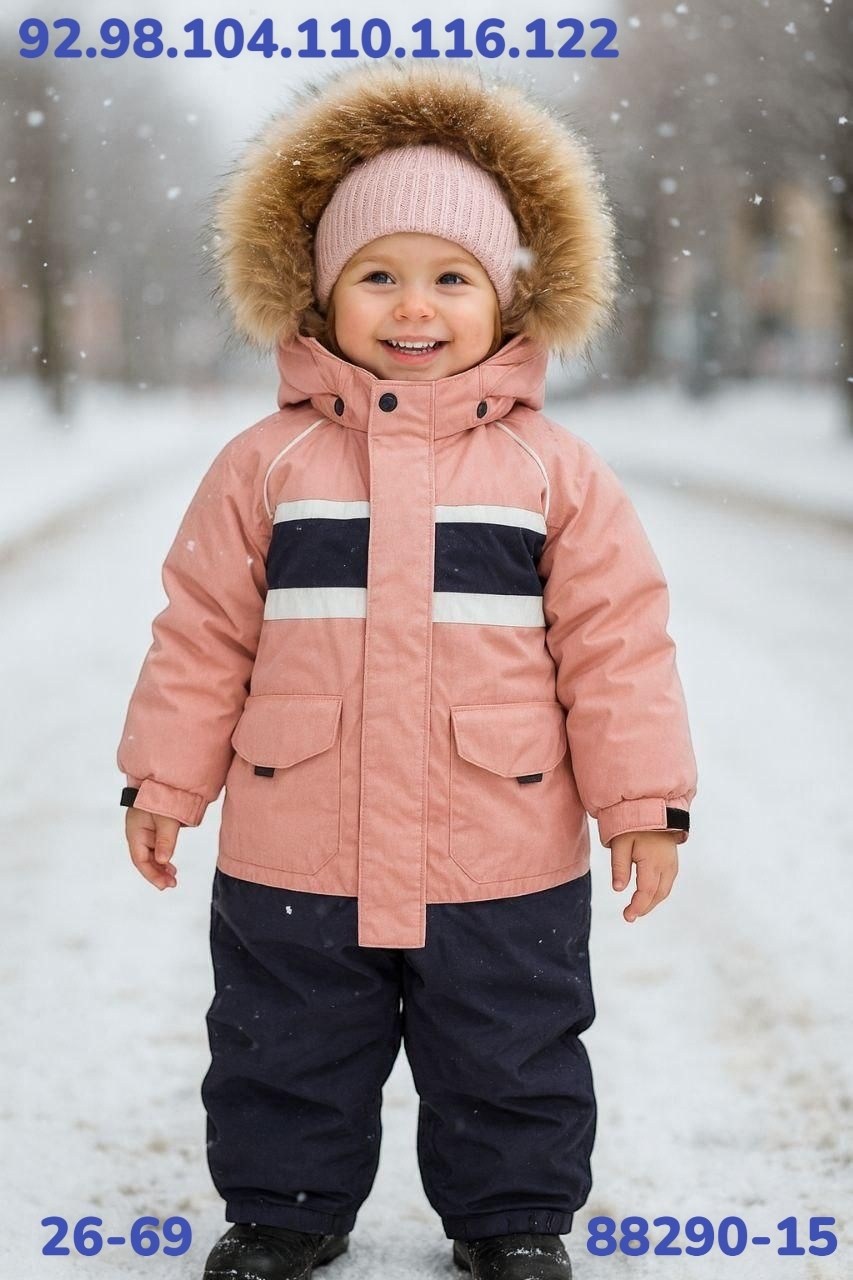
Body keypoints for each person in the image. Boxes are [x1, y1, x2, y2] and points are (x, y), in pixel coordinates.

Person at [117, 60, 698, 1280]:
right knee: (284, 1040)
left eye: (451, 276)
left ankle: (512, 1217)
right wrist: (165, 781)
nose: (412, 304)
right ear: (322, 296)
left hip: (501, 838)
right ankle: (284, 1207)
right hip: (298, 830)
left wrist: (639, 805)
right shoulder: (264, 464)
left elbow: (617, 644)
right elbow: (202, 634)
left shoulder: (555, 474)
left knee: (512, 1043)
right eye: (376, 274)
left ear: (508, 297)